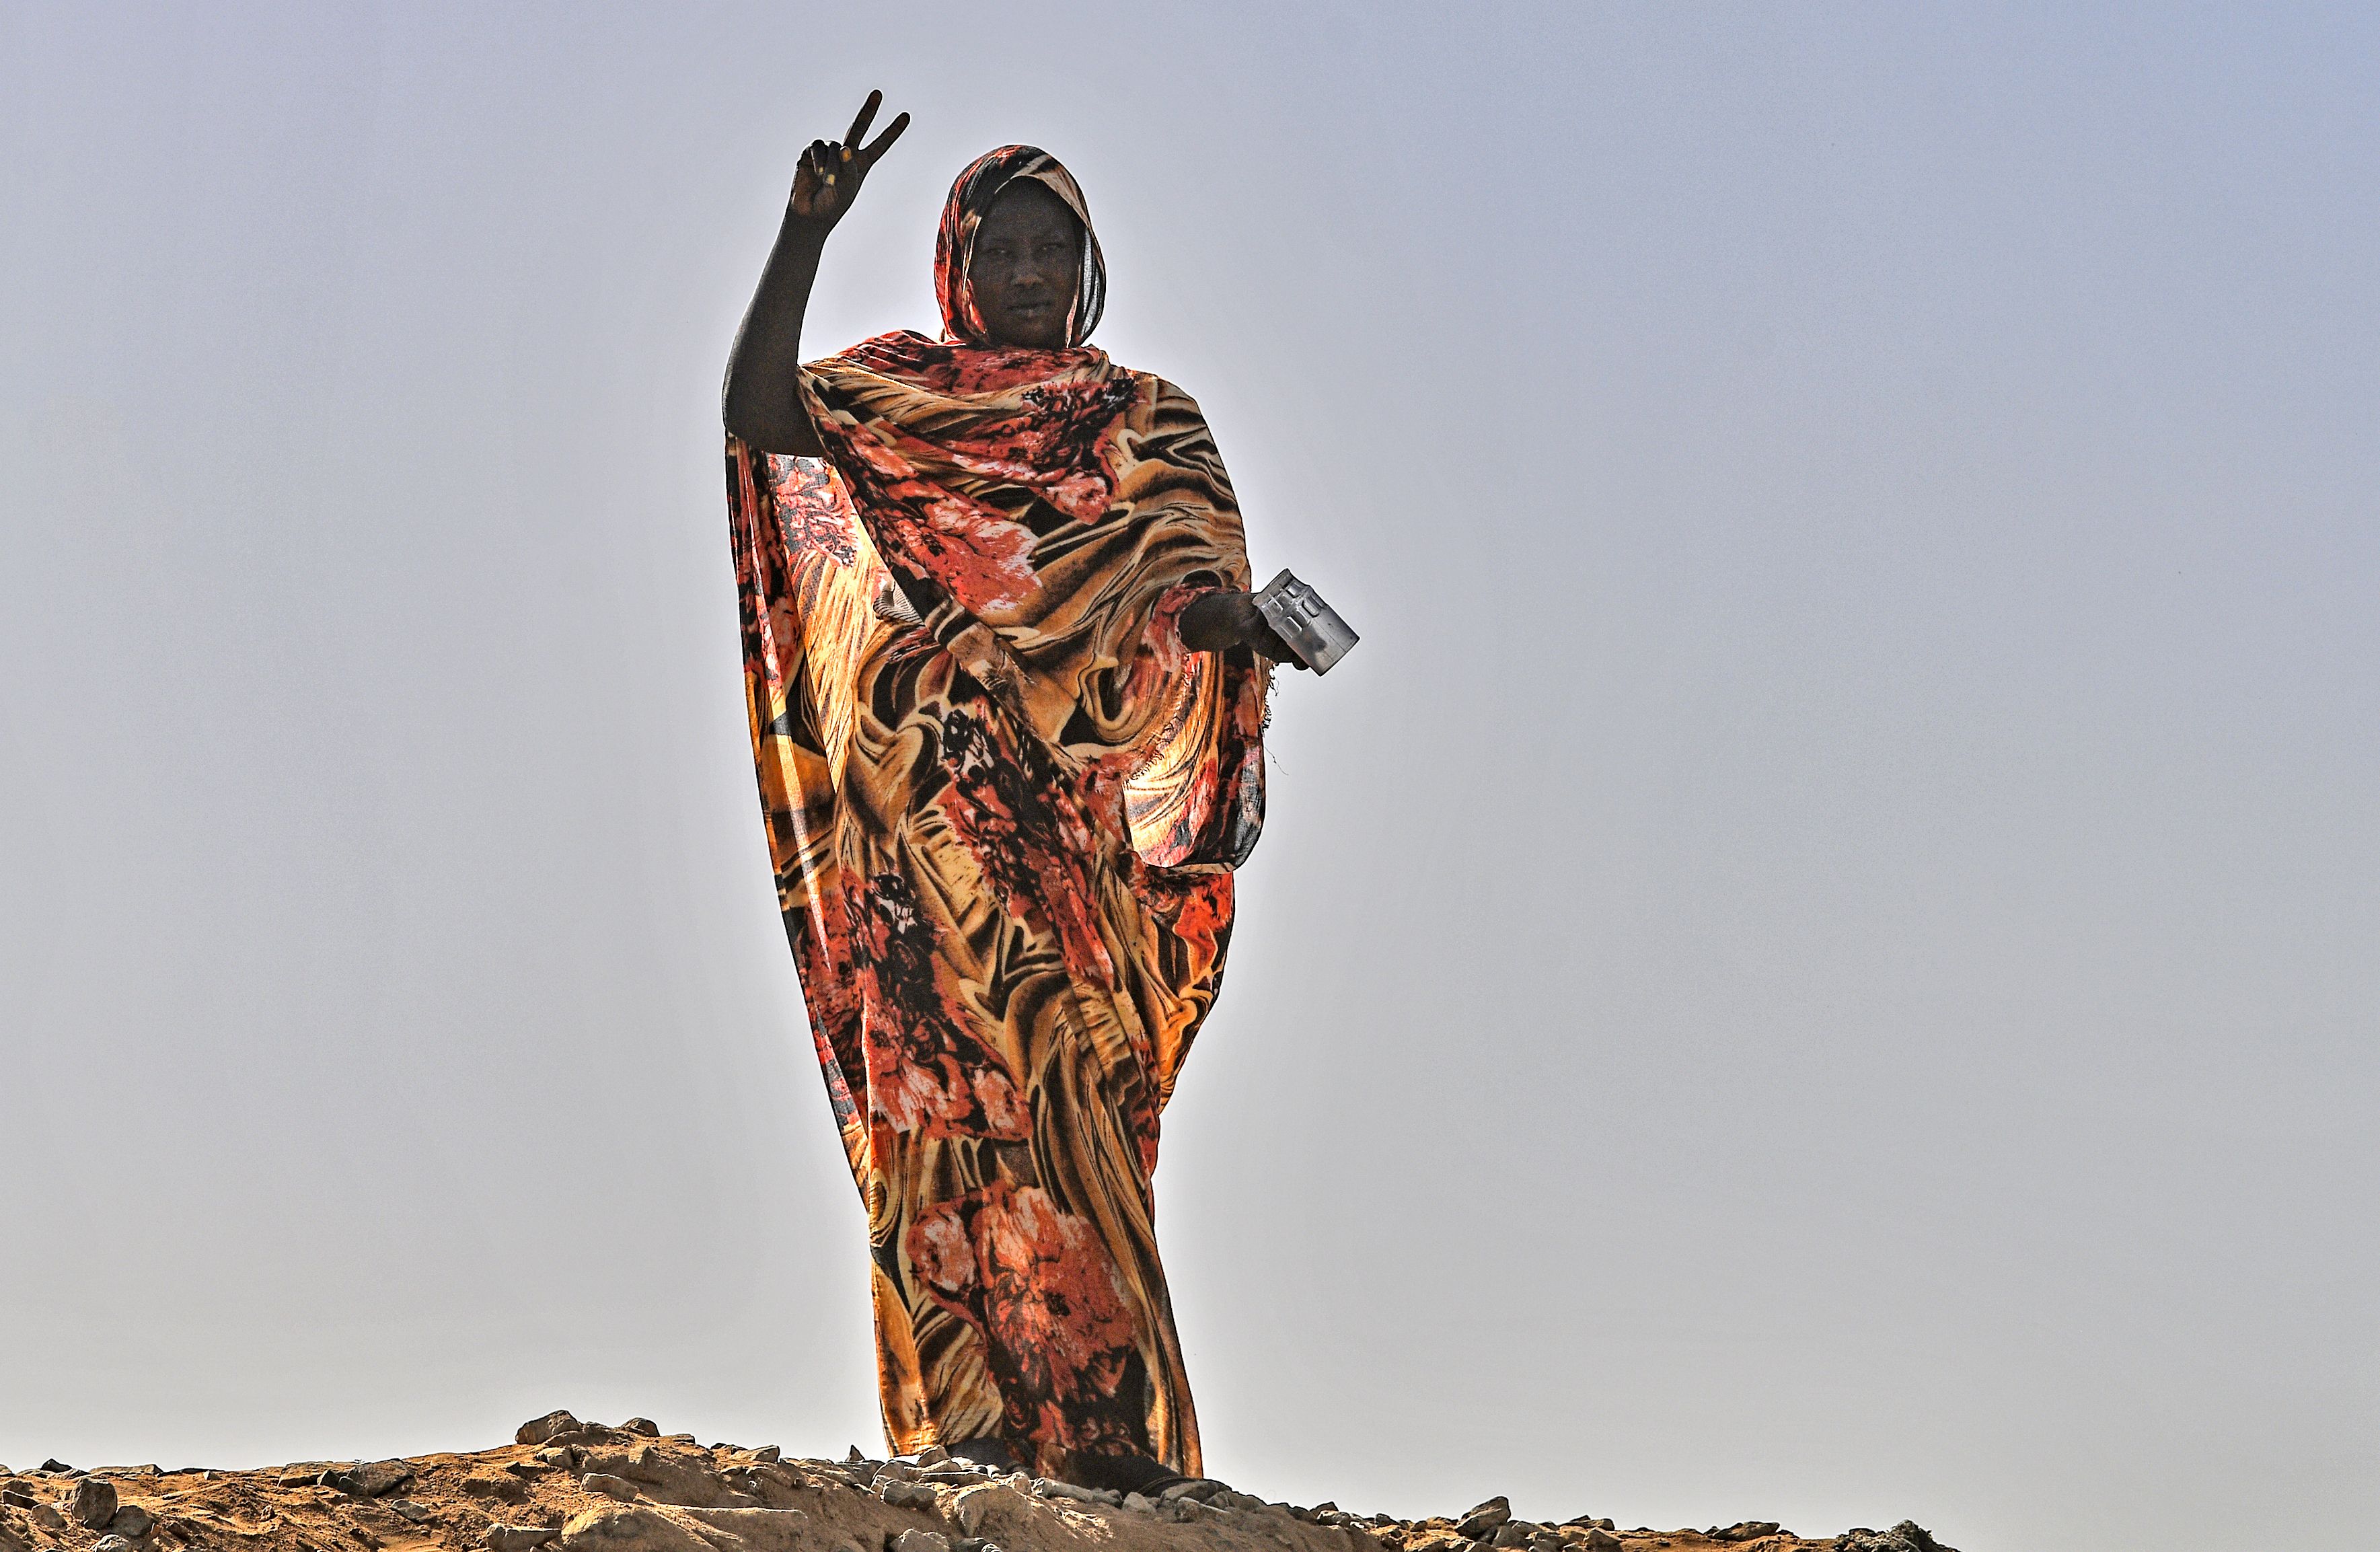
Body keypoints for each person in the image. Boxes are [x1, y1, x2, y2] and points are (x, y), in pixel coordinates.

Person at [720, 93, 1302, 1492]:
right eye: (1007, 252)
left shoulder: (1146, 425)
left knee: (1070, 1110)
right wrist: (802, 236)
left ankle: (1112, 1440)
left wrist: (1249, 627)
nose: (1031, 277)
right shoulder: (888, 399)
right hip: (915, 845)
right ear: (954, 265)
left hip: (1068, 851)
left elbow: (1177, 612)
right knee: (938, 1121)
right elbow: (757, 417)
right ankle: (964, 1430)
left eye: (1055, 250)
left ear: (1088, 265)